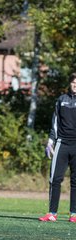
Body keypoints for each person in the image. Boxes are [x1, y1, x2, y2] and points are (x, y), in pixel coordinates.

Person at [39, 73, 76, 222]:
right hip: (61, 144)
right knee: (55, 178)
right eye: (73, 82)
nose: (75, 85)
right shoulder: (61, 100)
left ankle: (74, 214)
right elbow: (55, 122)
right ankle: (52, 213)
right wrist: (50, 141)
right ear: (70, 84)